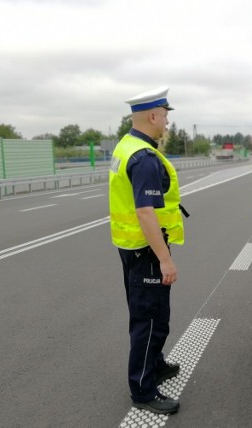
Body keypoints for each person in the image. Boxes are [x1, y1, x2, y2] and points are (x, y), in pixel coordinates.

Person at [109, 86, 185, 415]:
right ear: (153, 116)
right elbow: (145, 212)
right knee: (151, 320)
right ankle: (143, 389)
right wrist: (165, 259)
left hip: (130, 247)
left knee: (149, 315)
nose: (167, 123)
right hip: (146, 251)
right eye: (166, 117)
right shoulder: (144, 157)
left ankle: (155, 364)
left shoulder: (126, 147)